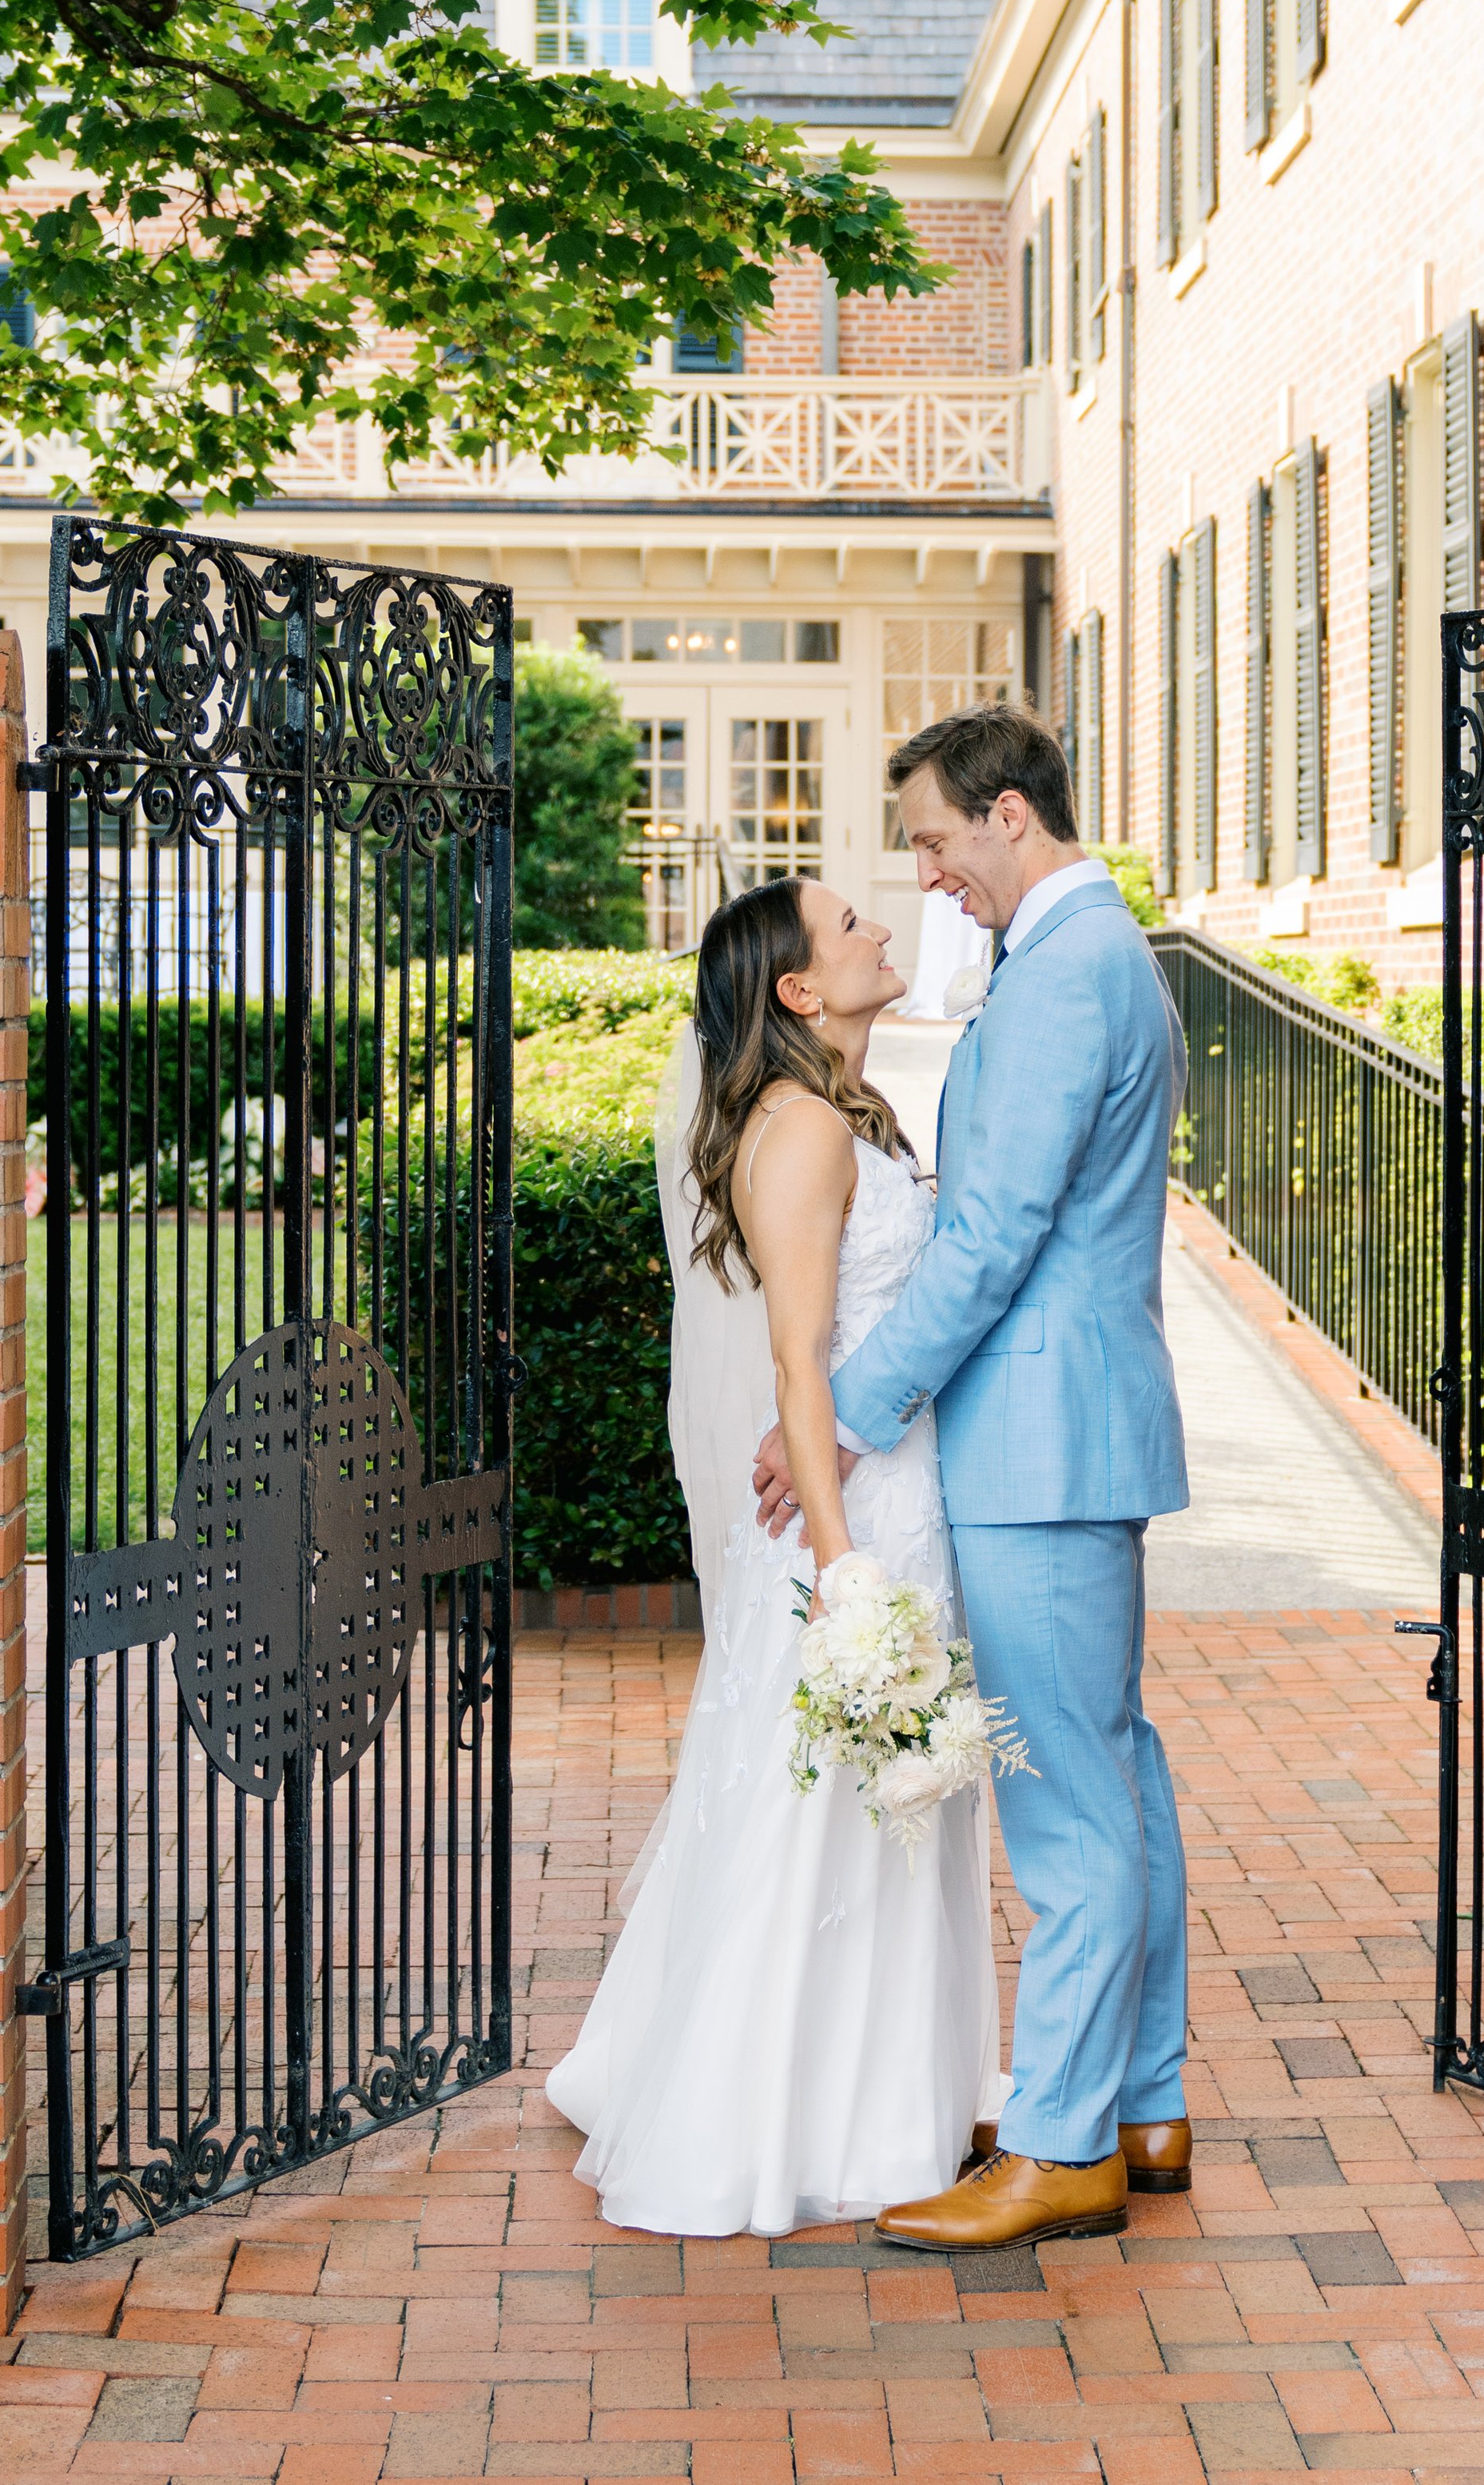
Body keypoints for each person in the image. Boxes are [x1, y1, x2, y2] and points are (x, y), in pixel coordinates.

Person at [752, 703, 1193, 2250]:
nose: (928, 876)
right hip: (1065, 1434)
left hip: (1040, 1442)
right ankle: (1140, 2099)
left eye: (937, 840)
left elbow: (993, 1239)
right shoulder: (1081, 956)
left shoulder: (1071, 969)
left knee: (1069, 1802)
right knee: (1114, 1766)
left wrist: (851, 1407)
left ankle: (1067, 2143)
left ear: (1012, 817)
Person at [543, 877, 1006, 2236]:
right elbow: (802, 1369)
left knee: (884, 1814)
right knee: (830, 1812)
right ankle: (790, 2114)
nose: (877, 929)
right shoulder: (802, 1130)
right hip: (848, 1523)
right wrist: (848, 1569)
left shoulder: (852, 1110)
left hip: (892, 1497)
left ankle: (885, 2093)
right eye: (850, 924)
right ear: (800, 992)